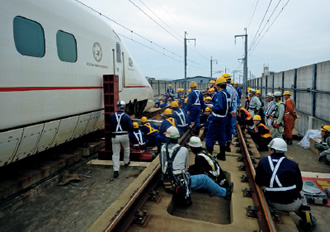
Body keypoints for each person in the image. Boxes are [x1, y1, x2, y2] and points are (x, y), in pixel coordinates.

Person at [159, 127, 233, 205]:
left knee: (189, 173)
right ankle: (225, 193)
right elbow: (185, 166)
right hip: (179, 182)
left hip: (167, 179)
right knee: (204, 179)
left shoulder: (162, 148)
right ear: (177, 138)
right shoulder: (184, 150)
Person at [255, 138, 316, 230]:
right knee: (302, 195)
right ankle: (307, 218)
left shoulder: (263, 161)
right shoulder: (293, 164)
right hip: (291, 204)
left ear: (272, 150)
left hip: (272, 201)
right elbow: (299, 186)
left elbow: (258, 181)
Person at [205, 76, 233, 161]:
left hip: (217, 118)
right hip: (224, 118)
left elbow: (219, 107)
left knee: (210, 136)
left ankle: (209, 155)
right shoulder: (228, 94)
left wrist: (212, 107)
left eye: (216, 85)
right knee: (221, 136)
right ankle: (222, 154)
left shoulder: (220, 95)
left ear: (218, 85)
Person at [109, 100, 134, 178]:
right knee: (126, 148)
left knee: (115, 153)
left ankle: (116, 170)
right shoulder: (127, 116)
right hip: (124, 136)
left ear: (117, 107)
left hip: (115, 136)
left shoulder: (111, 116)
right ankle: (126, 162)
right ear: (124, 107)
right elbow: (130, 127)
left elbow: (110, 125)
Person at [223, 73, 237, 141]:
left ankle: (227, 140)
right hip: (233, 109)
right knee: (231, 126)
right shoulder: (233, 89)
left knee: (227, 126)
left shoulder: (227, 88)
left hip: (229, 110)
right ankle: (230, 139)